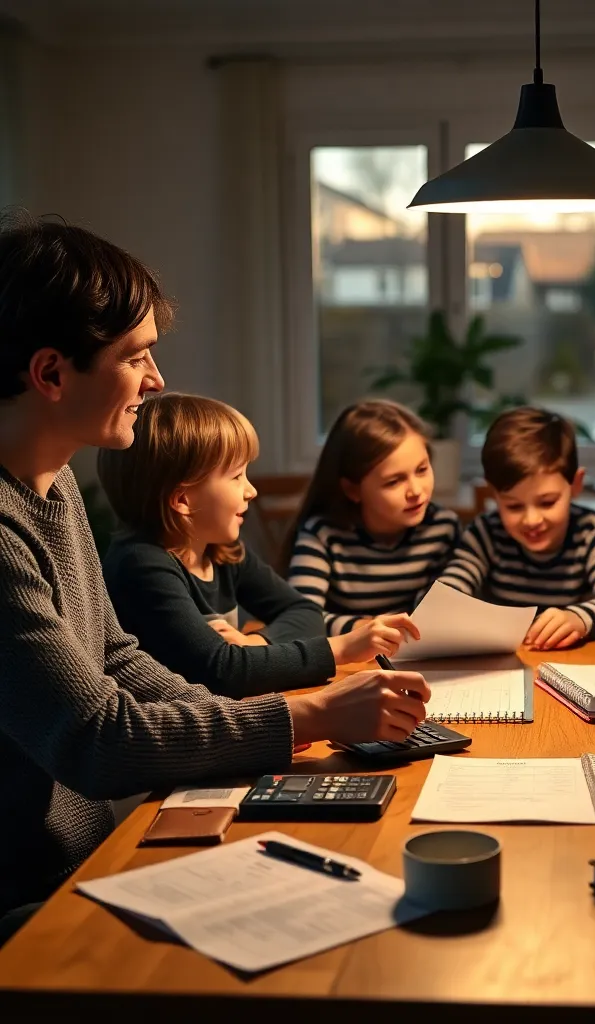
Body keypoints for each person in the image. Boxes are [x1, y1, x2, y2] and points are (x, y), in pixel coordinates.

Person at [0, 217, 428, 939]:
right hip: (30, 889)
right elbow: (98, 738)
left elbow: (117, 659)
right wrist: (306, 718)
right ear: (50, 373)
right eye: (136, 358)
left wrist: (262, 733)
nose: (156, 381)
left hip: (91, 850)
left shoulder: (57, 486)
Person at [97, 393, 419, 697]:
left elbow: (303, 611)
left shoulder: (221, 551)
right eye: (237, 476)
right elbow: (223, 672)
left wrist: (256, 643)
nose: (251, 491)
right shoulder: (141, 565)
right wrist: (343, 648)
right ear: (182, 498)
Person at [435, 407, 595, 650]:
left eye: (547, 502)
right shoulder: (485, 534)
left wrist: (579, 619)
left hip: (569, 664)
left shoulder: (593, 532)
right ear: (494, 494)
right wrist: (442, 608)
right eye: (513, 506)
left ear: (575, 484)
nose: (532, 520)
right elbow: (447, 594)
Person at [287, 400, 461, 636]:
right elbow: (301, 616)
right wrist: (363, 628)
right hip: (349, 663)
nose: (416, 491)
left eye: (422, 470)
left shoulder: (443, 528)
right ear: (353, 490)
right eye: (394, 481)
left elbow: (447, 609)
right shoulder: (322, 533)